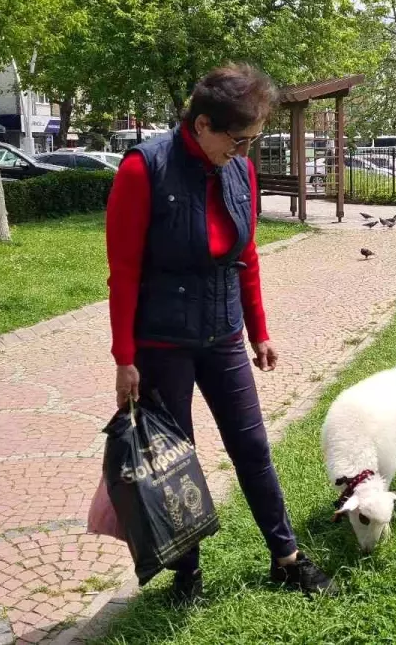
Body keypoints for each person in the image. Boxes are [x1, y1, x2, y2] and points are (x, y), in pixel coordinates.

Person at [105, 63, 335, 604]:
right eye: (238, 139)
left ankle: (287, 558)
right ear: (203, 124)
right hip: (163, 342)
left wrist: (259, 331)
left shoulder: (240, 171)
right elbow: (124, 271)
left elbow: (245, 255)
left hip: (224, 334)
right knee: (175, 460)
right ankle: (187, 574)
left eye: (253, 140)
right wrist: (124, 357)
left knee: (252, 447)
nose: (244, 151)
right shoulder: (144, 169)